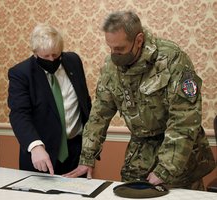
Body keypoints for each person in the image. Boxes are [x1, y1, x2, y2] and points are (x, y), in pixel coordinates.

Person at [64, 11, 215, 190]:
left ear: (139, 40)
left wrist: (165, 169)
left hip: (179, 156)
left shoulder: (172, 60)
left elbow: (184, 119)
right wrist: (87, 158)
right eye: (110, 47)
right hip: (139, 154)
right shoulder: (110, 68)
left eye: (119, 49)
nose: (114, 54)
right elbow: (99, 114)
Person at [8, 24, 91, 175]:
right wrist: (35, 146)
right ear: (35, 53)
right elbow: (19, 114)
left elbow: (85, 103)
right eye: (46, 56)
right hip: (41, 155)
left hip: (76, 153)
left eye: (56, 54)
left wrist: (89, 150)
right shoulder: (21, 74)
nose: (52, 60)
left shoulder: (73, 61)